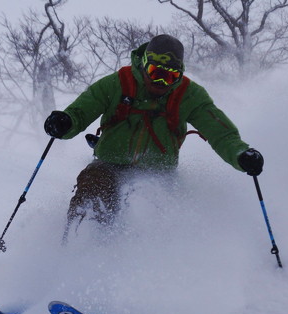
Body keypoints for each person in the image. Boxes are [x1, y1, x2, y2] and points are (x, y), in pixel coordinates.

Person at [43, 34, 264, 236]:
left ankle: (149, 261)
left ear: (179, 75)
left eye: (170, 77)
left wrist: (241, 154)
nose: (161, 83)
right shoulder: (118, 83)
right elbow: (81, 111)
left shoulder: (189, 95)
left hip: (158, 174)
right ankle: (79, 245)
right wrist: (65, 122)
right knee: (94, 189)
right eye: (155, 73)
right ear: (144, 65)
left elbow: (221, 134)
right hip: (109, 164)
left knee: (148, 205)